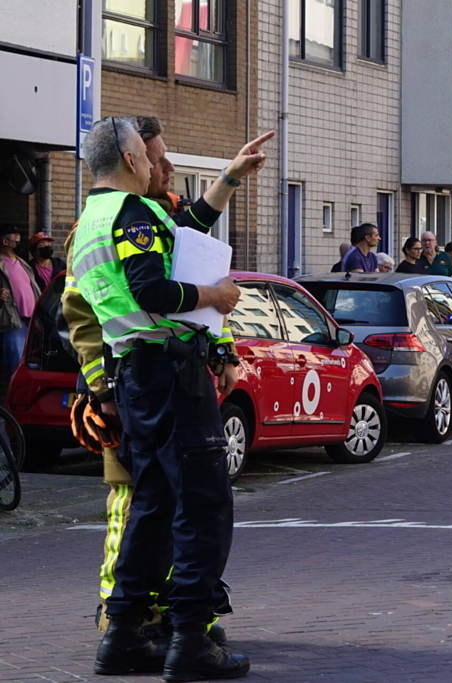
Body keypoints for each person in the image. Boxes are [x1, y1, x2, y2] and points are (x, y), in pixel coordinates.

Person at [78, 117, 271, 680]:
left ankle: (123, 635)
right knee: (203, 504)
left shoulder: (94, 218)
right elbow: (154, 288)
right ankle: (191, 640)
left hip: (136, 376)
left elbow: (181, 231)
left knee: (155, 504)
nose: (155, 164)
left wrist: (229, 177)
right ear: (132, 158)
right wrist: (216, 295)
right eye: (149, 154)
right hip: (172, 375)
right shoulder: (132, 213)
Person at [0, 224, 41, 382]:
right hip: (13, 323)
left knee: (29, 365)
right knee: (15, 368)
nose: (19, 242)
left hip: (30, 322)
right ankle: (14, 404)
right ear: (5, 242)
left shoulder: (22, 263)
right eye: (16, 239)